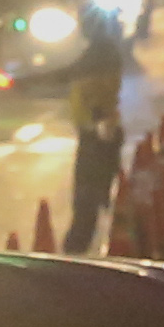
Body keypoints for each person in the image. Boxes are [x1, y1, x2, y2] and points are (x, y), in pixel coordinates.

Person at [62, 39, 127, 253]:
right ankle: (77, 248)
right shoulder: (100, 80)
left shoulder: (89, 80)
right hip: (96, 140)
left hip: (92, 140)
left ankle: (75, 250)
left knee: (84, 203)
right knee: (89, 203)